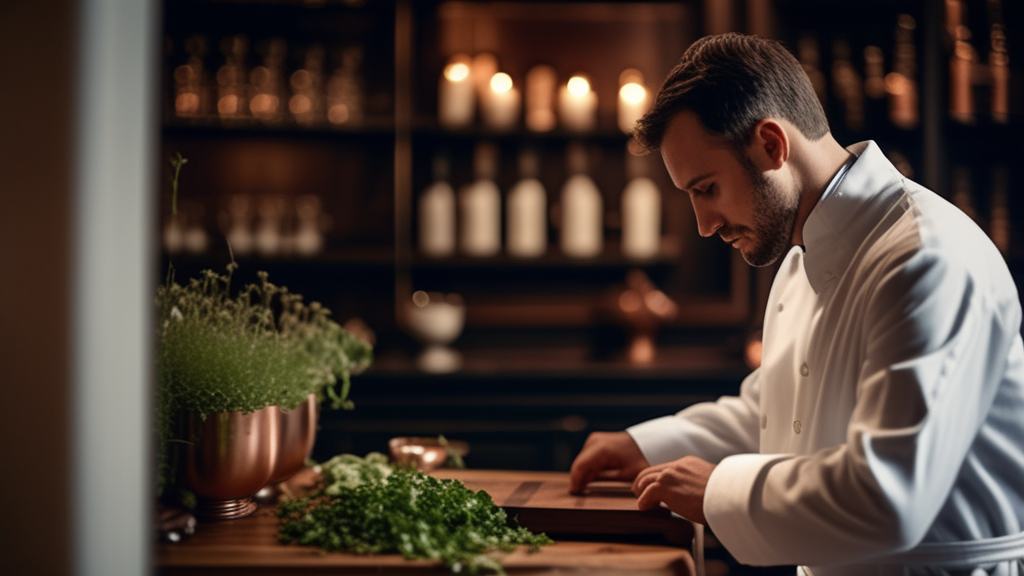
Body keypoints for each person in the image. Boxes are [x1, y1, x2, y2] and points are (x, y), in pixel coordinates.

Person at [569, 33, 1024, 576]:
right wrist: (645, 445)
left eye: (707, 188)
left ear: (770, 145)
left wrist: (717, 489)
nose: (704, 224)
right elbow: (780, 413)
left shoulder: (925, 260)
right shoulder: (800, 258)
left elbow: (888, 496)